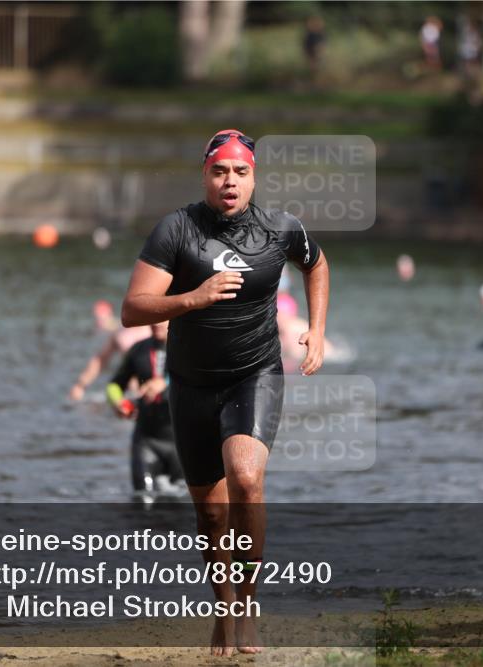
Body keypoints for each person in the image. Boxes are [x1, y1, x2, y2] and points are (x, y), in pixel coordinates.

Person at [121, 129, 329, 656]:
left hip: (254, 374)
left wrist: (318, 329)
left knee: (247, 479)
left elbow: (317, 265)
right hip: (190, 384)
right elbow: (133, 309)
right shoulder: (177, 230)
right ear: (205, 176)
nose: (229, 181)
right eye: (219, 171)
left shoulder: (281, 229)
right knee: (211, 515)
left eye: (239, 172)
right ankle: (222, 606)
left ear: (253, 176)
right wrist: (193, 298)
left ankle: (247, 607)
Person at [106, 320, 184, 500]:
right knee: (143, 501)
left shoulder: (190, 347)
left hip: (182, 441)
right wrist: (118, 402)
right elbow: (115, 385)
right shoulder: (139, 349)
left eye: (162, 318)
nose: (155, 323)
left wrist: (165, 382)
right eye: (152, 317)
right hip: (147, 440)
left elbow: (203, 377)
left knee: (185, 506)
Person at [69, 300, 150, 401]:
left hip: (156, 386)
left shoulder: (156, 328)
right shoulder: (121, 334)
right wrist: (80, 385)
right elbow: (100, 360)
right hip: (131, 390)